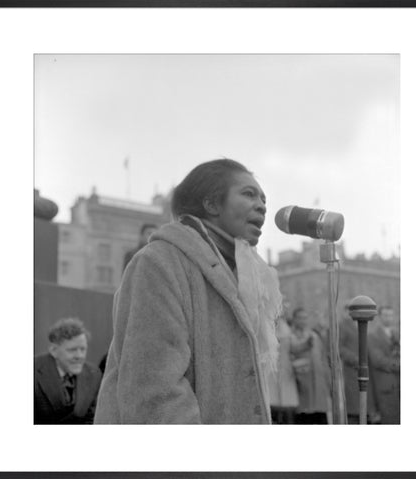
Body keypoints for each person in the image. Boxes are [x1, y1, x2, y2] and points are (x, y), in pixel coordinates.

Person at [94, 158, 282, 424]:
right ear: (211, 204)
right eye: (249, 194)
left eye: (264, 198)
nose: (262, 206)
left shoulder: (244, 275)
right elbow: (154, 391)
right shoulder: (159, 261)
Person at [34, 318, 102, 424]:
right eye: (72, 350)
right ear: (54, 351)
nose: (79, 356)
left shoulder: (94, 374)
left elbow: (92, 419)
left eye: (83, 349)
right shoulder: (34, 371)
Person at [289, 307, 332, 424]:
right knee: (304, 417)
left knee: (320, 416)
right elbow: (293, 350)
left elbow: (323, 359)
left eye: (305, 318)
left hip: (319, 383)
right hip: (301, 384)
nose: (303, 320)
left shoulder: (314, 336)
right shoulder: (289, 336)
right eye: (300, 318)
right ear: (294, 319)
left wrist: (328, 381)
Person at [367, 305, 400, 424]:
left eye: (391, 315)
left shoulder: (398, 334)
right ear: (380, 317)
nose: (389, 318)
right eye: (385, 315)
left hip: (399, 386)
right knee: (390, 421)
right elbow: (378, 361)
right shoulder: (372, 336)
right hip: (385, 387)